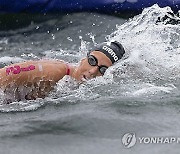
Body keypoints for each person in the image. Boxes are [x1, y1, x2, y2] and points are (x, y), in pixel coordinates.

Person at [0, 41, 125, 102]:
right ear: (83, 58)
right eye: (92, 61)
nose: (93, 71)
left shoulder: (74, 87)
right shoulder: (55, 71)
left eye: (102, 70)